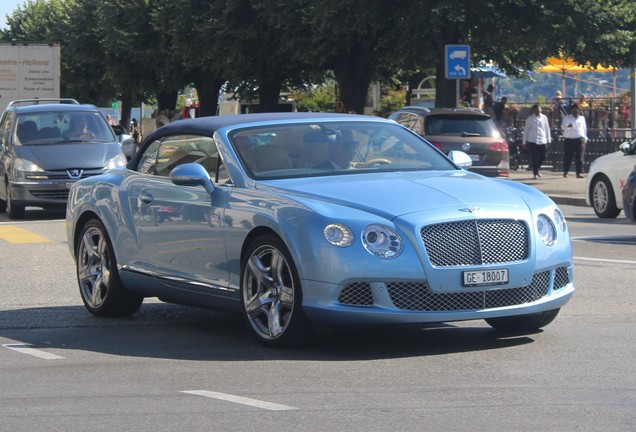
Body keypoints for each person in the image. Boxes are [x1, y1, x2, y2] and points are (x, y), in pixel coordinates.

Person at [522, 104, 552, 179]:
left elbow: (547, 129)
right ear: (533, 110)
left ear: (541, 110)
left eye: (539, 109)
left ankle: (537, 168)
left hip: (542, 139)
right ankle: (535, 172)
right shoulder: (530, 119)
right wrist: (524, 142)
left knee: (543, 156)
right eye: (536, 109)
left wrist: (548, 140)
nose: (537, 110)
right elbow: (526, 131)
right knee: (534, 157)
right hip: (532, 140)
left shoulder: (544, 118)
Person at [561, 104, 587, 178]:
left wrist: (585, 138)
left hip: (579, 139)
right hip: (569, 139)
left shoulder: (582, 118)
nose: (575, 111)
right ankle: (565, 171)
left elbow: (584, 128)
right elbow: (562, 126)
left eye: (576, 109)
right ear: (571, 110)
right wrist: (567, 126)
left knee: (580, 157)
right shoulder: (567, 118)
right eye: (573, 109)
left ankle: (579, 172)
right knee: (568, 157)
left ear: (579, 110)